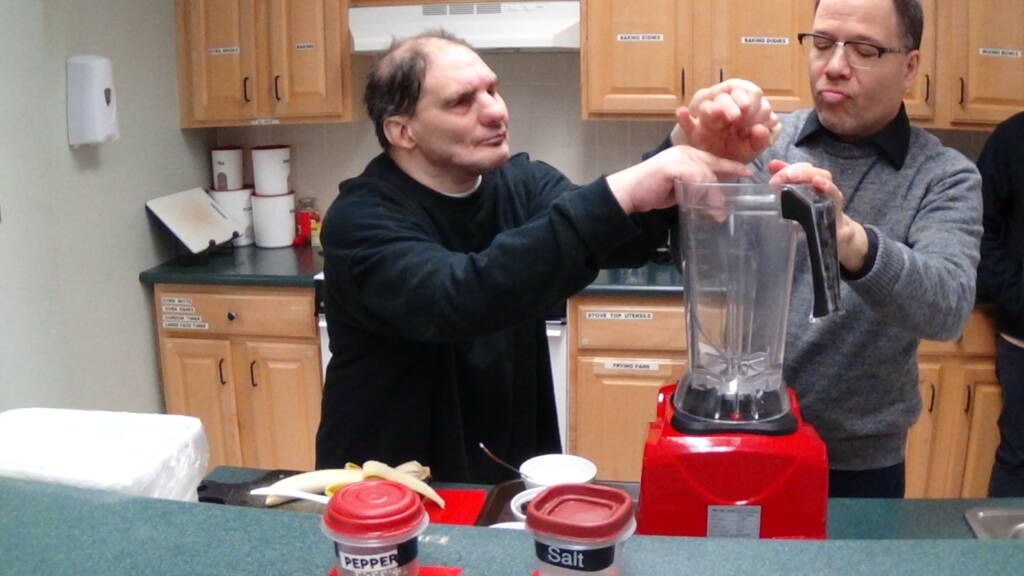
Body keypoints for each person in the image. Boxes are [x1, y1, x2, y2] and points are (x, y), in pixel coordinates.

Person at [315, 31, 767, 482]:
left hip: (506, 477)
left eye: (492, 89)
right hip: (385, 492)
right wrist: (626, 188)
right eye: (461, 102)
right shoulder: (360, 220)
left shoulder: (522, 183)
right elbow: (459, 296)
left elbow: (618, 235)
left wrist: (686, 146)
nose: (495, 110)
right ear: (402, 131)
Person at [670, 0, 982, 497]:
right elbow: (669, 221)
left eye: (863, 49)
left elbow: (947, 308)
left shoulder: (944, 176)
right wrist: (690, 147)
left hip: (859, 462)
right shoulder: (766, 144)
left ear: (910, 66)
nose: (834, 65)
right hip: (743, 430)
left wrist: (849, 239)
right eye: (821, 44)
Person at [975, 111, 1024, 497]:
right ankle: (1003, 558)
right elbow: (979, 231)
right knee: (1019, 460)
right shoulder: (1013, 137)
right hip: (1023, 341)